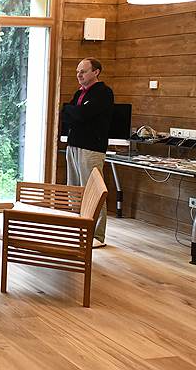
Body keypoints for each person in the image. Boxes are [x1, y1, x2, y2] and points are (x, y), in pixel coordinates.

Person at [62, 57, 113, 248]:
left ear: (96, 72)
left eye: (83, 71)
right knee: (74, 189)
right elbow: (66, 114)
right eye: (77, 72)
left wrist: (72, 110)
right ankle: (78, 229)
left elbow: (82, 115)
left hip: (91, 148)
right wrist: (72, 111)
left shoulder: (103, 93)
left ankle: (97, 235)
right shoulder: (79, 93)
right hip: (73, 145)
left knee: (93, 191)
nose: (79, 75)